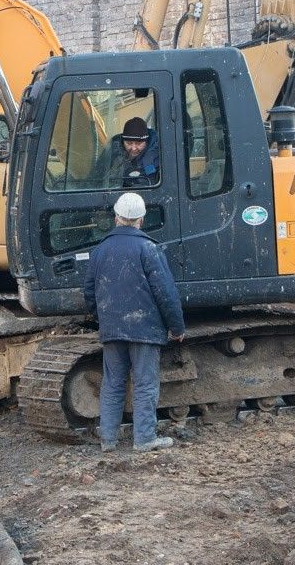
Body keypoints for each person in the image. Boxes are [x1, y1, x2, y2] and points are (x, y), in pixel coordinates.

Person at [83, 192, 185, 453]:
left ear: (116, 217)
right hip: (145, 330)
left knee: (113, 383)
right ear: (141, 219)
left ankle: (108, 440)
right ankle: (144, 439)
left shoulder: (99, 251)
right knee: (144, 384)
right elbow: (166, 293)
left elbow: (90, 292)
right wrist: (176, 328)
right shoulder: (148, 249)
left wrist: (101, 320)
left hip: (112, 329)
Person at [94, 117, 160, 189]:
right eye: (129, 143)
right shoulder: (114, 150)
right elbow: (97, 176)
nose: (133, 148)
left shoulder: (155, 155)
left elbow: (150, 183)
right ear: (123, 141)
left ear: (146, 142)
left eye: (138, 143)